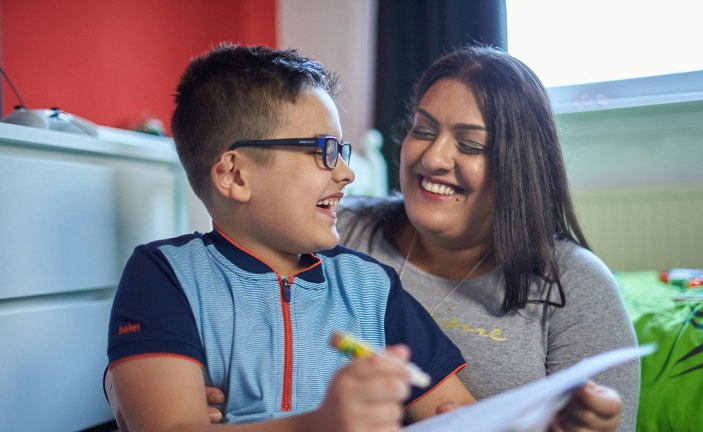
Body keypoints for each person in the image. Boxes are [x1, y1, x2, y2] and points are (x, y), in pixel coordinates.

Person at [105, 43, 475, 432]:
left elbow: (457, 411)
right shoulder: (166, 276)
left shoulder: (370, 287)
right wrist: (318, 425)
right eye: (324, 151)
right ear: (235, 175)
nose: (346, 173)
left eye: (342, 151)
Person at [336, 45, 640, 431]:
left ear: (519, 166)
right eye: (423, 130)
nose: (433, 159)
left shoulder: (578, 287)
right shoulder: (339, 228)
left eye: (471, 145)